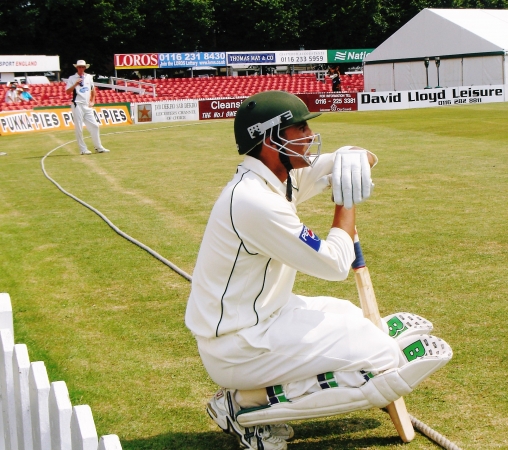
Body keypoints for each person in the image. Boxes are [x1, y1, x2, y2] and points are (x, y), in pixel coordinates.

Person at [185, 91, 452, 450]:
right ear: (270, 139)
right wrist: (346, 204)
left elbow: (354, 162)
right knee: (381, 358)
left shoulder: (278, 177)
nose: (310, 135)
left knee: (349, 313)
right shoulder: (254, 201)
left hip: (263, 317)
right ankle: (242, 405)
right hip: (240, 345)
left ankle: (253, 393)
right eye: (299, 127)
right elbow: (334, 263)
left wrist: (356, 156)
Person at [65, 60, 110, 155]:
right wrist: (75, 84)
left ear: (85, 68)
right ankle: (83, 149)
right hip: (77, 104)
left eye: (82, 67)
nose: (81, 68)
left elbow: (93, 90)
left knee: (95, 126)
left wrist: (93, 101)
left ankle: (98, 147)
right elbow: (68, 92)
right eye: (79, 67)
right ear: (76, 68)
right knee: (79, 128)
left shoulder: (89, 77)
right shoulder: (72, 78)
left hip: (86, 105)